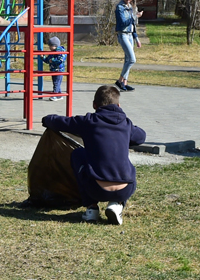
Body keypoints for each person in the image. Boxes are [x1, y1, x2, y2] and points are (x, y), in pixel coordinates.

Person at [41, 85, 146, 225]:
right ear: (119, 105)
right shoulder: (126, 124)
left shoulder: (88, 121)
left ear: (94, 105)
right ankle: (117, 204)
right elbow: (141, 137)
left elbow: (61, 122)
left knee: (78, 154)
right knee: (126, 165)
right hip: (125, 189)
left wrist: (46, 119)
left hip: (95, 189)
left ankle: (91, 208)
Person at [114, 0, 141, 92]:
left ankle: (124, 83)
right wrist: (135, 16)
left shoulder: (130, 7)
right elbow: (124, 22)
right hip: (123, 35)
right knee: (132, 59)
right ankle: (120, 80)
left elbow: (132, 25)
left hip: (130, 35)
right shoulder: (120, 8)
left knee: (127, 60)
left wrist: (137, 38)